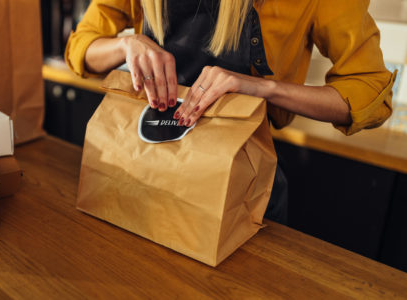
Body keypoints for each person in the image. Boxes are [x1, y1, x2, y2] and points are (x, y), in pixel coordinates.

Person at [64, 0, 395, 224]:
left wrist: (264, 88)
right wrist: (127, 44)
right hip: (143, 167)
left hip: (238, 187)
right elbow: (80, 48)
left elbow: (372, 94)